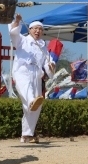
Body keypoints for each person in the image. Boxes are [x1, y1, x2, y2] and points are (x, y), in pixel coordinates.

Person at [9, 14, 54, 143]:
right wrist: (17, 21)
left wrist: (51, 65)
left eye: (40, 29)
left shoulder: (43, 46)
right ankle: (31, 101)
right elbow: (13, 34)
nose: (37, 31)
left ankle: (27, 135)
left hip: (36, 74)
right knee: (27, 92)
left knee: (35, 106)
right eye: (35, 28)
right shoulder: (22, 40)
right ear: (29, 29)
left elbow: (48, 63)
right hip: (22, 71)